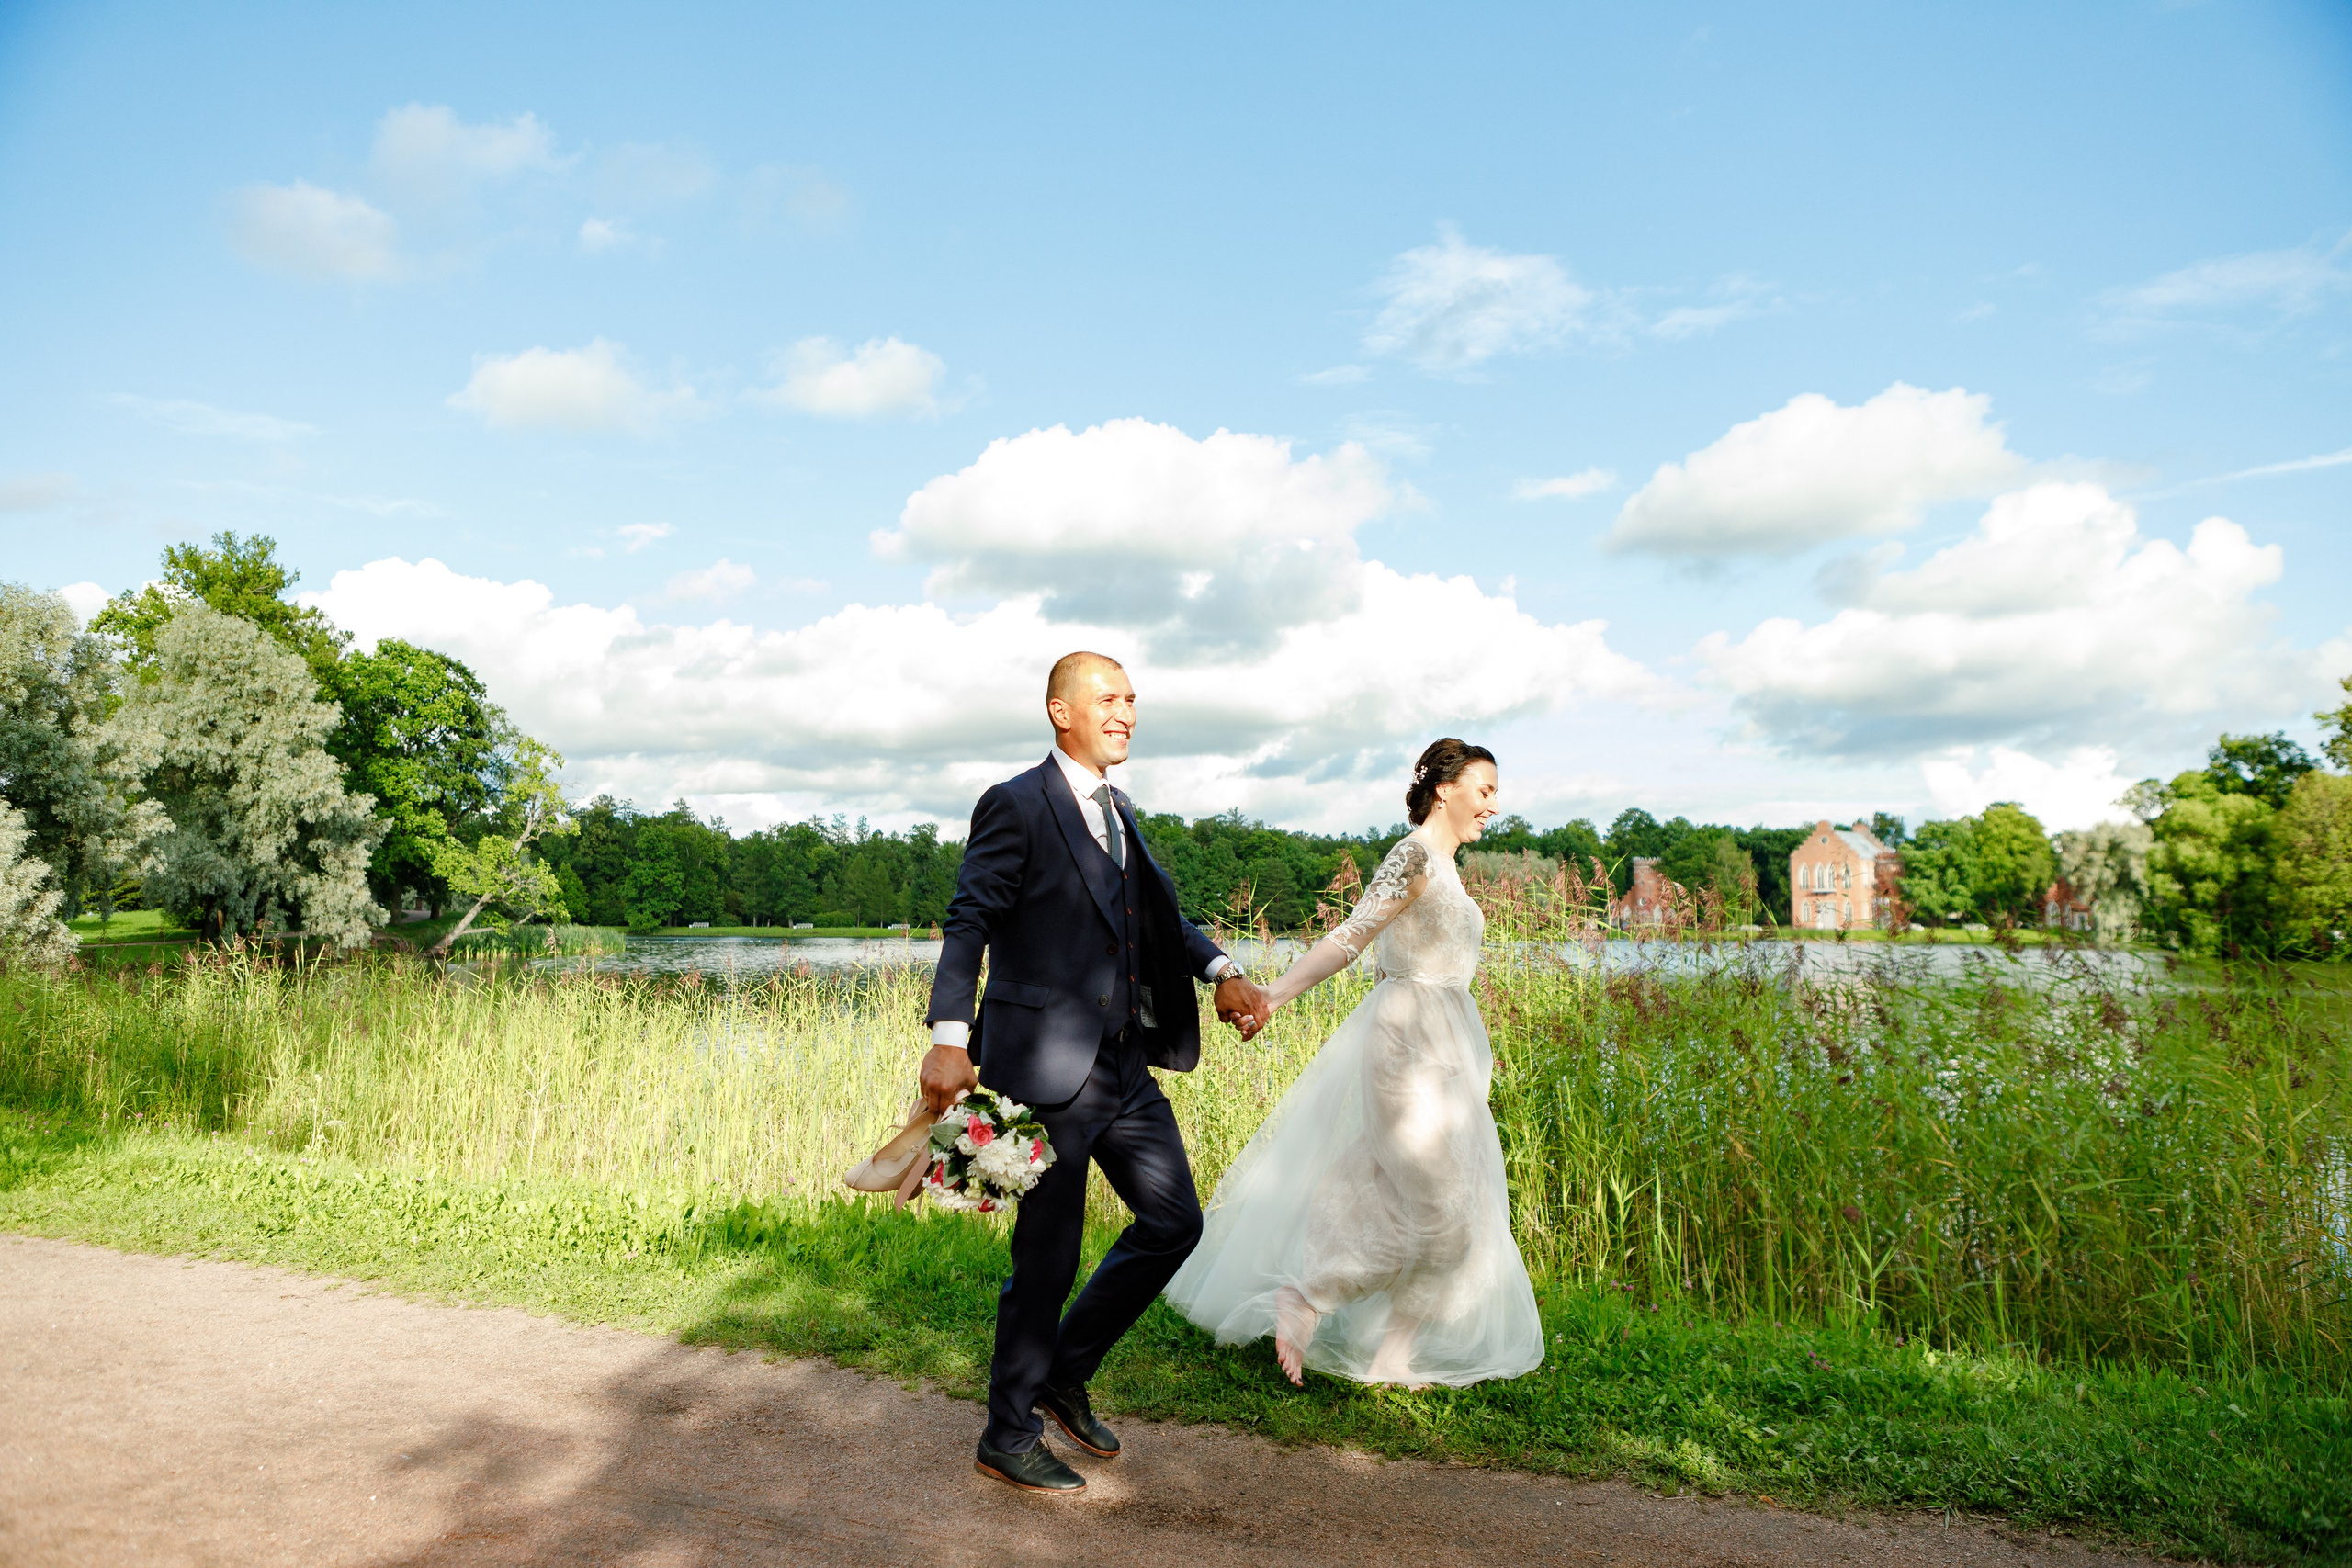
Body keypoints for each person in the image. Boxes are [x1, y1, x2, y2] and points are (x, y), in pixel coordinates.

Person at [919, 650, 1271, 1495]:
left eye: (1133, 699)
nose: (1127, 711)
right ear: (1059, 710)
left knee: (1173, 1222)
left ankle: (1063, 1368)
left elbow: (1158, 920)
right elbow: (970, 920)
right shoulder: (1016, 803)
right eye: (1109, 698)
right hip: (1043, 1068)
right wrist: (947, 1032)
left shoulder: (1121, 810)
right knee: (1047, 1256)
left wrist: (1222, 971)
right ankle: (1007, 1431)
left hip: (1123, 1067)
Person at [1164, 739, 1544, 1390]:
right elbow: (1351, 938)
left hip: (1450, 1049)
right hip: (1407, 1042)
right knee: (1443, 1204)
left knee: (1452, 1203)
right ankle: (1307, 1295)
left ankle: (1392, 1352)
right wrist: (1275, 996)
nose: (1493, 804)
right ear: (1445, 788)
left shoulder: (1449, 868)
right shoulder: (1414, 854)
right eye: (1484, 789)